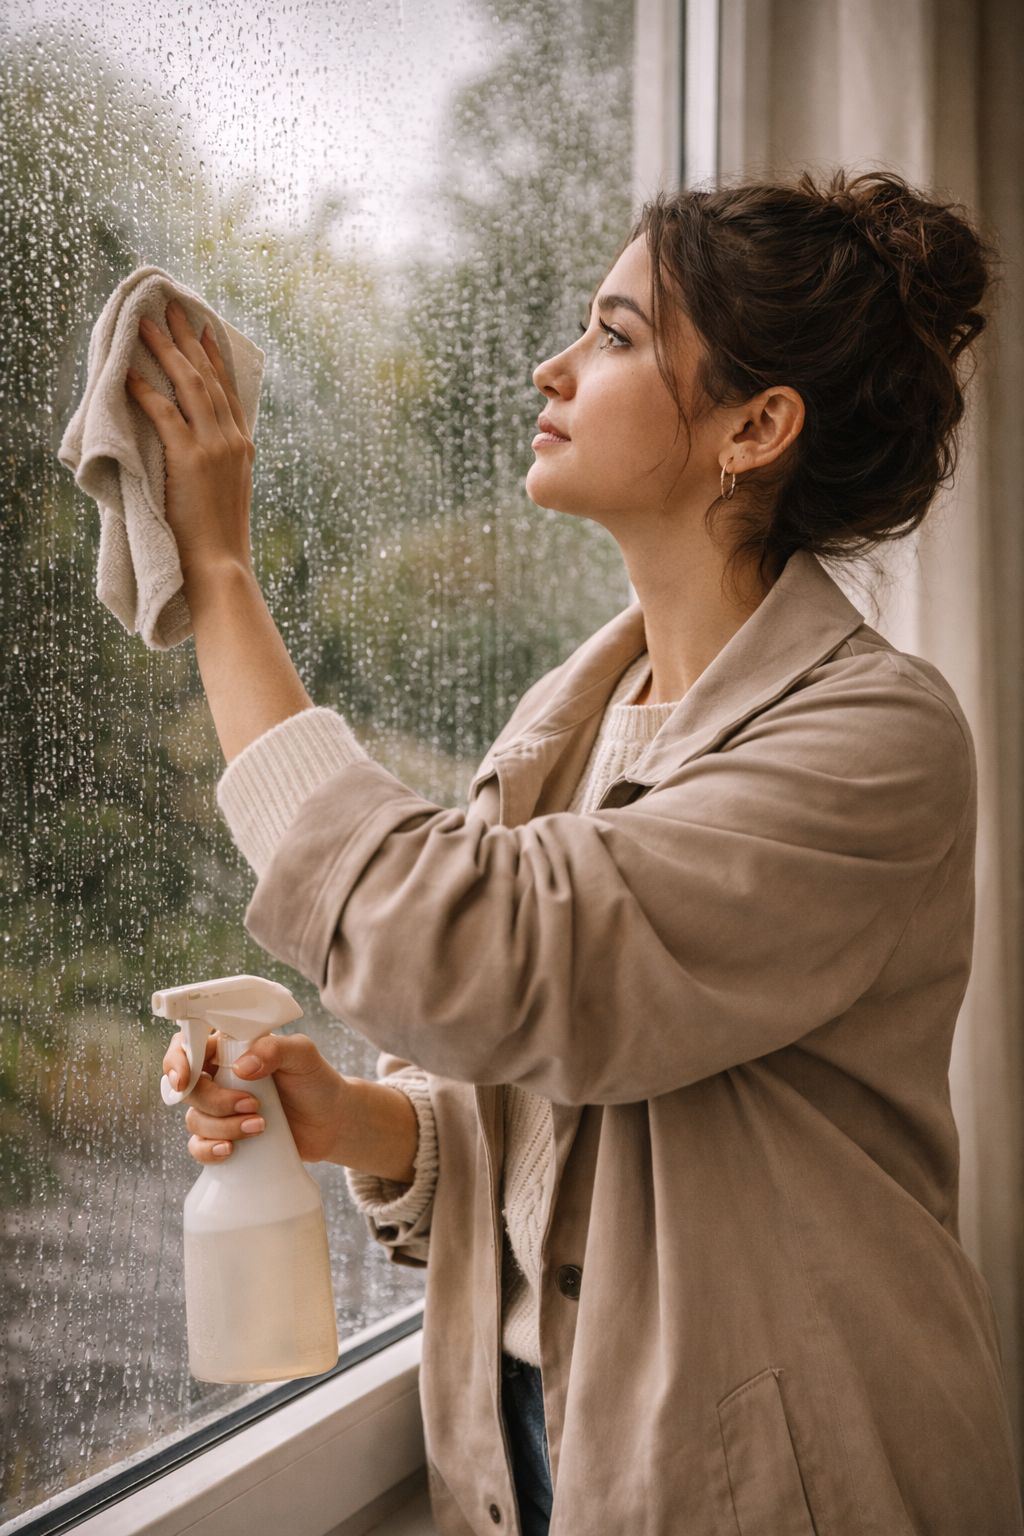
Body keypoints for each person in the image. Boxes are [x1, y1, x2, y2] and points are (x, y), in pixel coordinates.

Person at [145, 166, 1022, 1535]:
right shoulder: (581, 719)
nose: (555, 366)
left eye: (615, 336)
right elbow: (584, 1113)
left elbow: (489, 952)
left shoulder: (878, 743)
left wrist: (219, 578)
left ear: (757, 426)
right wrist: (362, 1125)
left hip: (792, 1476)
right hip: (530, 1443)